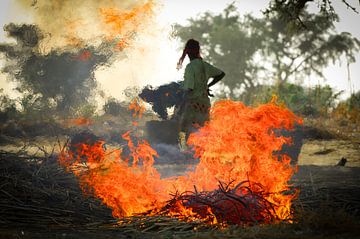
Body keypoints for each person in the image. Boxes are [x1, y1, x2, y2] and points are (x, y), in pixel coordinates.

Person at [177, 39, 225, 151]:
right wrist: (208, 85)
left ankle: (182, 150)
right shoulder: (205, 65)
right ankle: (204, 153)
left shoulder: (190, 67)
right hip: (205, 104)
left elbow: (189, 88)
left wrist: (181, 103)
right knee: (204, 130)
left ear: (188, 52)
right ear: (198, 51)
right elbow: (221, 74)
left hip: (193, 103)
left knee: (183, 128)